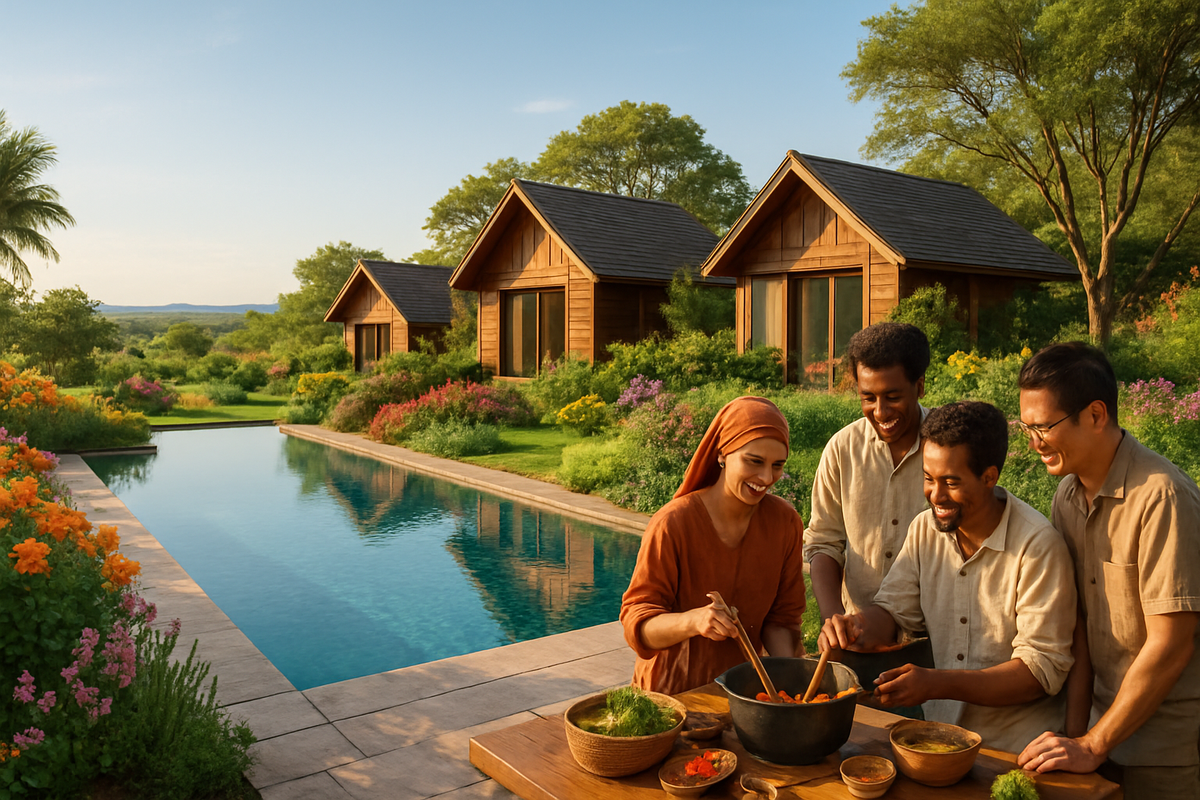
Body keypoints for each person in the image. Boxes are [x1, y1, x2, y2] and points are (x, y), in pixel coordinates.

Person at [820, 401, 1076, 753]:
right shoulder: (925, 530)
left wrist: (938, 684)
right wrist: (854, 628)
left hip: (1016, 750)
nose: (936, 496)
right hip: (938, 742)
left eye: (951, 482)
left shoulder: (1037, 546)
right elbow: (894, 612)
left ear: (989, 477)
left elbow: (1039, 672)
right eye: (928, 478)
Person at [1015, 343, 1200, 800]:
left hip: (1160, 748)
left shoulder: (1161, 498)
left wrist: (1093, 743)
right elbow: (1076, 624)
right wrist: (1078, 735)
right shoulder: (1067, 497)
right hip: (1094, 731)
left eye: (1044, 427)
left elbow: (1171, 643)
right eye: (1026, 428)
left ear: (1096, 415)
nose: (1034, 442)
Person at [620, 396, 807, 695]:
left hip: (745, 693)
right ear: (722, 453)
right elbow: (637, 627)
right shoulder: (673, 523)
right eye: (754, 461)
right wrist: (694, 621)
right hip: (670, 698)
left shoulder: (785, 523)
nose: (766, 477)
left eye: (777, 465)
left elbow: (782, 621)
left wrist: (794, 688)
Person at [804, 322, 931, 621]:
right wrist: (834, 620)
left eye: (893, 397)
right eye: (868, 398)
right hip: (858, 627)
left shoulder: (947, 449)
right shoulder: (842, 449)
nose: (881, 412)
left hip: (934, 629)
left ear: (919, 387)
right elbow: (824, 542)